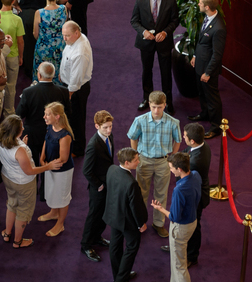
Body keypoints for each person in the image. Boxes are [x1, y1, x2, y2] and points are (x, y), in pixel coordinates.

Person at [0, 115, 62, 248]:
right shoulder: (20, 150)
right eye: (21, 127)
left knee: (12, 204)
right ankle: (17, 241)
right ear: (15, 131)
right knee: (24, 211)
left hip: (8, 178)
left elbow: (11, 154)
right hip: (23, 183)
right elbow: (29, 171)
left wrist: (22, 144)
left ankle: (7, 234)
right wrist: (48, 167)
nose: (24, 128)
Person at [128, 91, 183, 238]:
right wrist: (135, 155)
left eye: (159, 107)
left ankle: (158, 223)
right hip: (144, 160)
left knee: (161, 193)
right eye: (153, 107)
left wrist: (172, 157)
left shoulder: (173, 122)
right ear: (149, 105)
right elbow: (133, 137)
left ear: (165, 105)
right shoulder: (140, 120)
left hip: (163, 162)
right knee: (141, 193)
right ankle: (141, 222)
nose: (156, 111)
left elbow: (178, 140)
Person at [150, 152, 201, 282]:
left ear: (179, 169)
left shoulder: (179, 190)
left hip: (180, 228)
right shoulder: (196, 175)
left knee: (179, 265)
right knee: (176, 260)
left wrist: (160, 209)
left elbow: (174, 217)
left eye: (171, 168)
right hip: (192, 222)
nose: (170, 170)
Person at [130, 0, 180, 113]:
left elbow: (175, 20)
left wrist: (165, 32)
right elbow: (134, 21)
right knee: (147, 70)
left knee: (166, 73)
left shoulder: (170, 0)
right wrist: (143, 32)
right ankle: (147, 98)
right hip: (146, 42)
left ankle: (168, 102)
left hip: (164, 43)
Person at [104, 148, 150, 282]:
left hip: (113, 215)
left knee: (115, 246)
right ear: (126, 162)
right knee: (132, 246)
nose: (138, 162)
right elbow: (135, 207)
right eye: (136, 160)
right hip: (127, 221)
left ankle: (119, 273)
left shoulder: (112, 169)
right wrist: (141, 223)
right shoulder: (131, 183)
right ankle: (121, 280)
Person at [166, 123, 210, 266]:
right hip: (197, 189)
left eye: (184, 135)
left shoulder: (194, 162)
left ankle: (191, 256)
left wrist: (175, 164)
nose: (182, 136)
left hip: (195, 196)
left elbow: (181, 176)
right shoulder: (202, 145)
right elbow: (185, 152)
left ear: (192, 141)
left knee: (194, 226)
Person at [16, 62, 73, 156]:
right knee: (49, 163)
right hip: (54, 133)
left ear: (39, 75)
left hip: (32, 134)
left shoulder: (28, 92)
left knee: (32, 163)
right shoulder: (63, 91)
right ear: (53, 75)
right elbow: (67, 113)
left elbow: (19, 114)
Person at [81, 110, 116, 262]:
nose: (109, 130)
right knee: (93, 216)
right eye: (105, 127)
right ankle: (86, 245)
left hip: (107, 182)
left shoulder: (109, 137)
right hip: (98, 187)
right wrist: (99, 185)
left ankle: (97, 237)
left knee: (103, 213)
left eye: (110, 127)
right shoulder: (93, 145)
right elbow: (86, 171)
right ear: (97, 126)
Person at [190, 0, 227, 138]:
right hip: (200, 63)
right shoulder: (207, 17)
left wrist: (208, 72)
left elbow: (217, 55)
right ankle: (204, 114)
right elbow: (201, 41)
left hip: (208, 70)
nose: (198, 5)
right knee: (202, 93)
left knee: (212, 98)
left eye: (200, 3)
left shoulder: (219, 28)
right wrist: (195, 56)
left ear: (207, 7)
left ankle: (216, 127)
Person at [36, 101, 74, 237]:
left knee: (62, 197)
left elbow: (63, 159)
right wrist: (42, 157)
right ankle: (53, 212)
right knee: (52, 191)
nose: (44, 117)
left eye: (47, 115)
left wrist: (46, 166)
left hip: (62, 171)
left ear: (57, 116)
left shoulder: (65, 136)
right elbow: (46, 141)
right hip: (50, 167)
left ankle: (60, 224)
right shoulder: (50, 127)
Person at [60, 20, 93, 157]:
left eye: (67, 36)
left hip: (76, 90)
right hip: (69, 83)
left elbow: (76, 79)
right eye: (63, 35)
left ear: (76, 33)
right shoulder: (76, 38)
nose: (64, 38)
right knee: (72, 117)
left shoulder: (80, 53)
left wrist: (68, 95)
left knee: (77, 119)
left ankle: (78, 149)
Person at [0, 0, 25, 116]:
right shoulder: (17, 20)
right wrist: (21, 56)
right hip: (13, 55)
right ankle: (8, 112)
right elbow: (20, 41)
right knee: (11, 86)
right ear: (14, 0)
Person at [32, 0, 68, 75]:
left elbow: (35, 33)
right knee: (58, 73)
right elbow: (65, 27)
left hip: (43, 48)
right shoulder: (63, 9)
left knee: (43, 74)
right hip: (60, 46)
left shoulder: (39, 12)